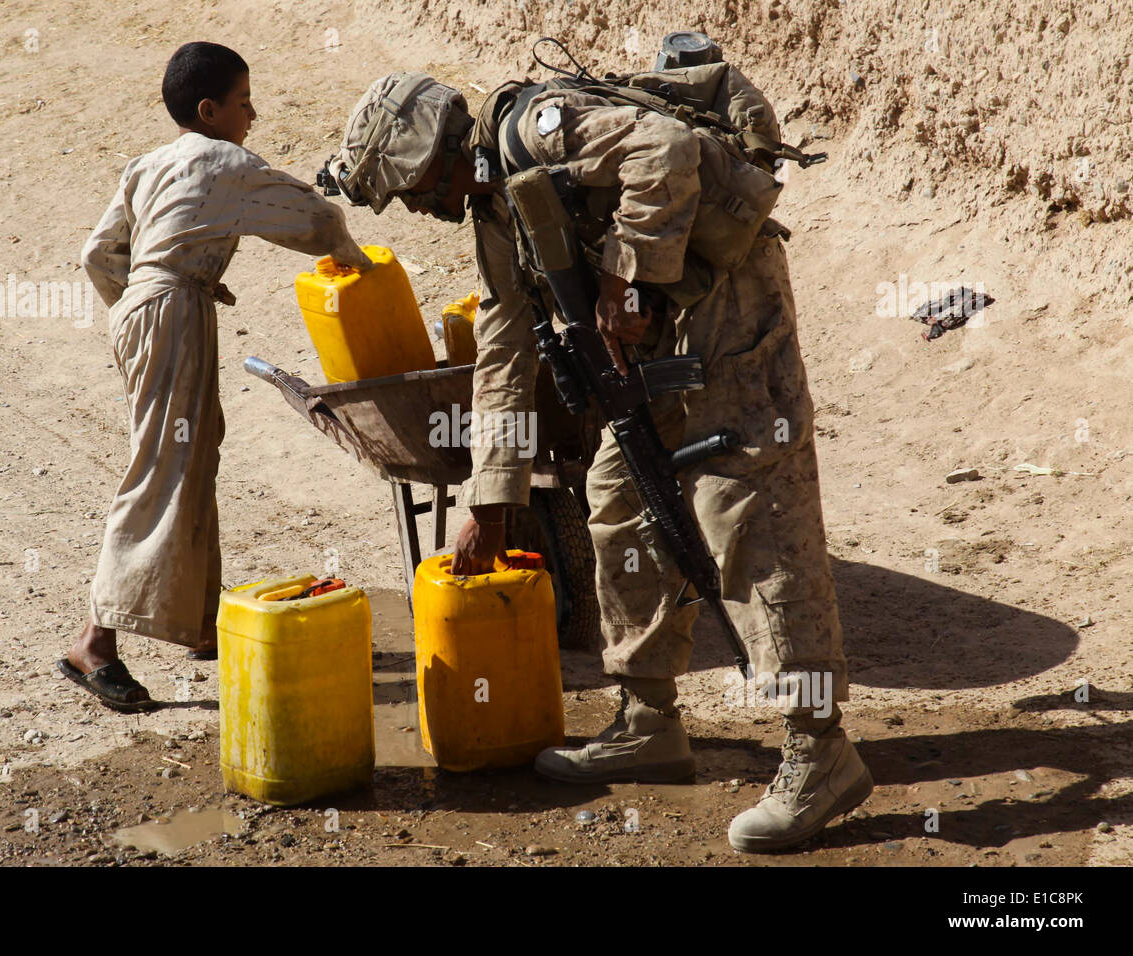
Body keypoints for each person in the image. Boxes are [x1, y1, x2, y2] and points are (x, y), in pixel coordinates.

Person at [329, 64, 873, 852]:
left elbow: (666, 149)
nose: (422, 209)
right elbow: (504, 351)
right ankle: (649, 718)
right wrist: (491, 500)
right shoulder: (495, 216)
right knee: (621, 502)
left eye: (415, 192)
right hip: (652, 342)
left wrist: (627, 274)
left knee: (748, 511)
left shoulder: (538, 128)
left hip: (730, 309)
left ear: (436, 159)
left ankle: (819, 747)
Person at [60, 41, 371, 712]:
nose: (253, 113)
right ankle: (94, 643)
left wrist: (144, 302)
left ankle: (202, 623)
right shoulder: (223, 162)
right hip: (172, 311)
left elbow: (97, 253)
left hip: (151, 310)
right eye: (242, 101)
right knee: (163, 469)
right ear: (210, 110)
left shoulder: (149, 165)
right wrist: (356, 262)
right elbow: (314, 218)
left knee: (193, 458)